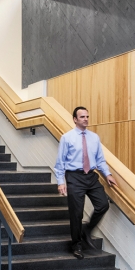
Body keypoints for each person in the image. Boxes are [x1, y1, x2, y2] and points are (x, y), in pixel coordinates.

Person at [54, 106, 118, 259]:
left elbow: (100, 159)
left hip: (91, 176)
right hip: (74, 177)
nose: (86, 119)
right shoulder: (67, 138)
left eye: (87, 116)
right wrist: (60, 182)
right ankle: (76, 245)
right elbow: (60, 163)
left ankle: (86, 230)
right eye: (82, 117)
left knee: (103, 204)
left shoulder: (94, 137)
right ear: (75, 119)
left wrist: (107, 174)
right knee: (76, 213)